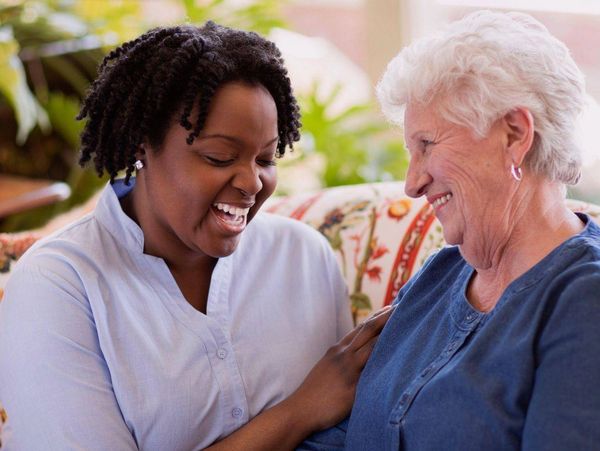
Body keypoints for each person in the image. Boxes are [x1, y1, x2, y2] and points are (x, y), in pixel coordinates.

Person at [0, 22, 393, 450]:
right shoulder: (60, 286)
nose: (252, 182)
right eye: (219, 156)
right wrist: (301, 409)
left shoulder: (303, 257)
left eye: (266, 158)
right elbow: (320, 409)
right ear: (141, 143)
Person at [301, 10, 600, 451]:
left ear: (515, 134)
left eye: (427, 144)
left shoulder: (583, 299)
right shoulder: (438, 277)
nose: (412, 182)